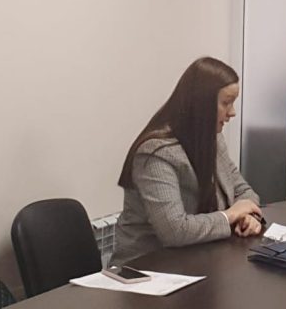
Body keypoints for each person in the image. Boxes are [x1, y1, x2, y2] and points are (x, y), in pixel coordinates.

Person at [110, 57, 263, 266]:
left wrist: (247, 217)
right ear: (201, 104)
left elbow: (243, 192)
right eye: (226, 103)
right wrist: (230, 215)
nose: (232, 112)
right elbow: (175, 231)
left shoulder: (213, 139)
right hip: (147, 269)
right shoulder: (156, 153)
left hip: (199, 258)